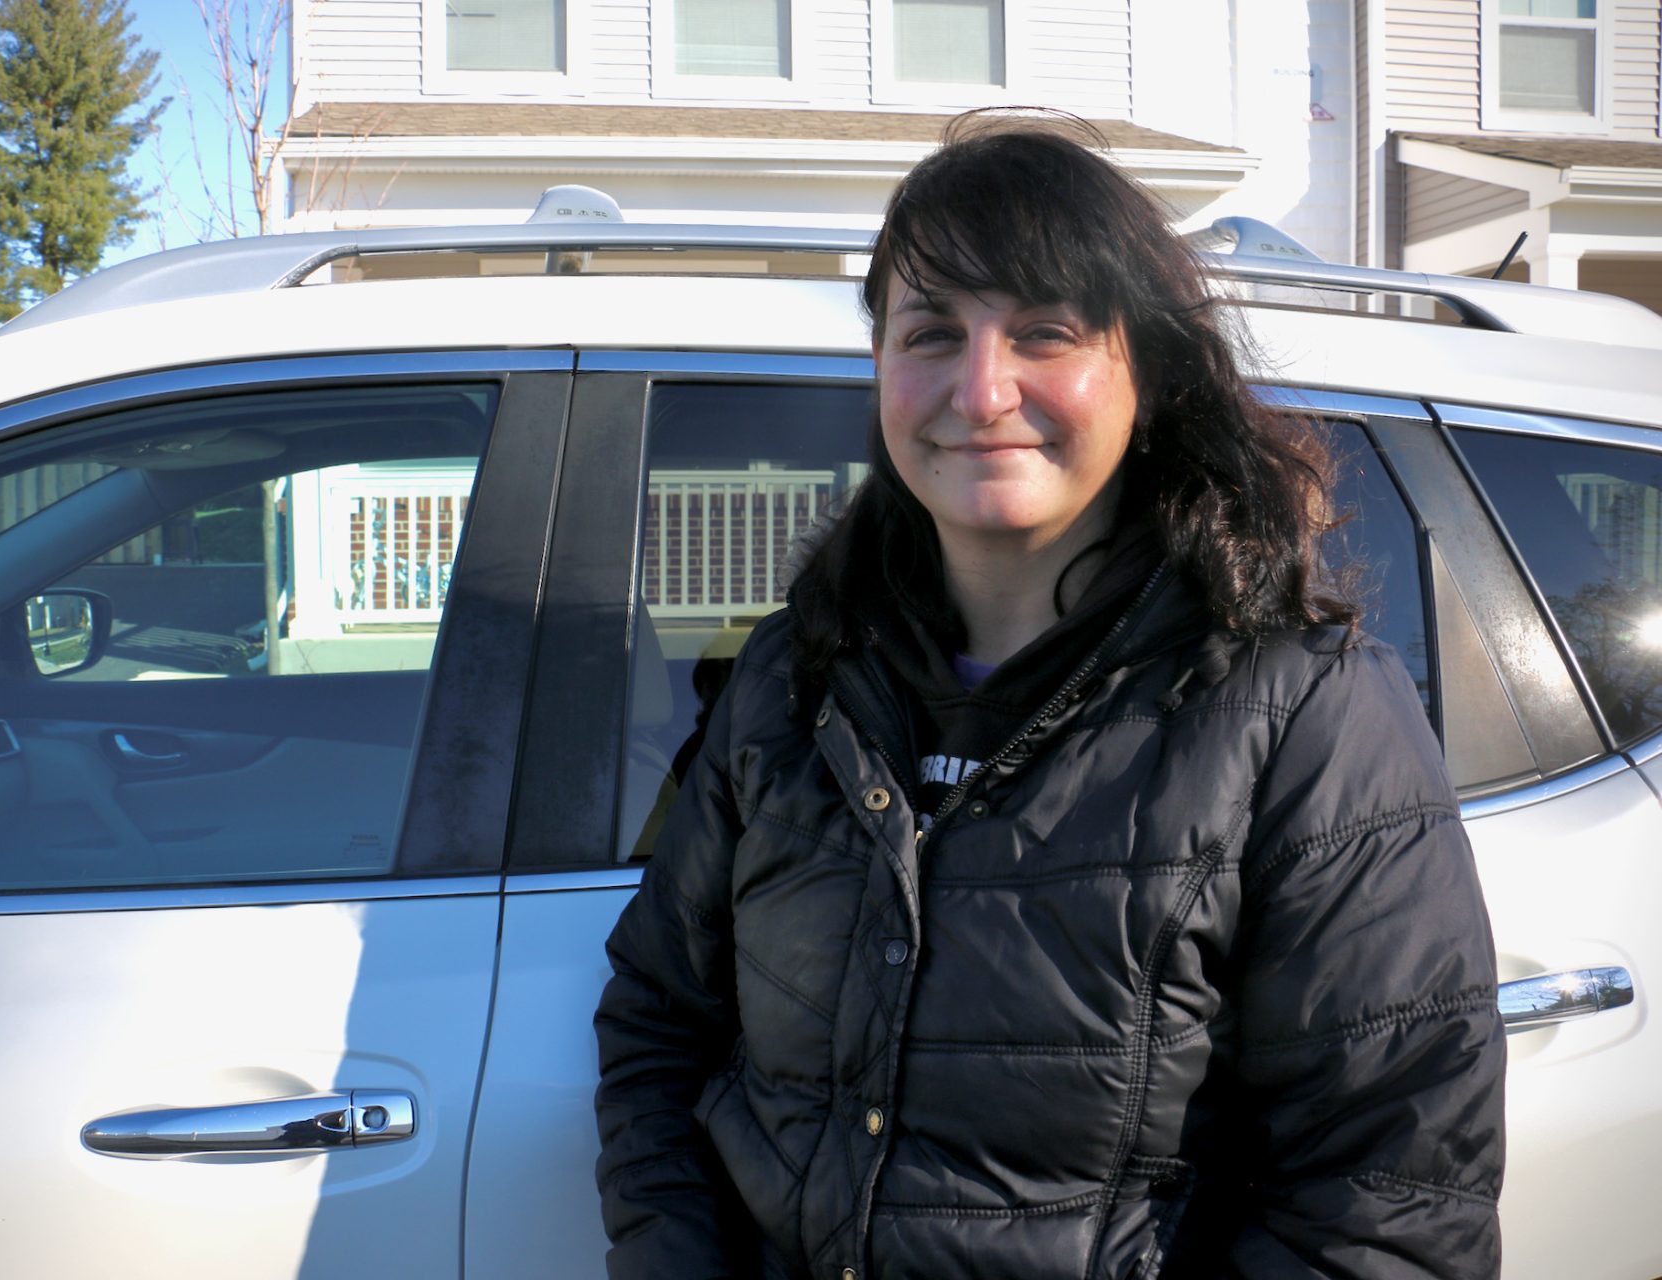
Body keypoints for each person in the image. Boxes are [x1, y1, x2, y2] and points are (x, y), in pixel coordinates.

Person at [593, 110, 1505, 1280]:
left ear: (1150, 369)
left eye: (1044, 331)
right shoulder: (791, 678)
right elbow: (660, 1022)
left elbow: (1390, 1196)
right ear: (878, 367)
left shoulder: (1303, 716)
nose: (981, 390)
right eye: (931, 332)